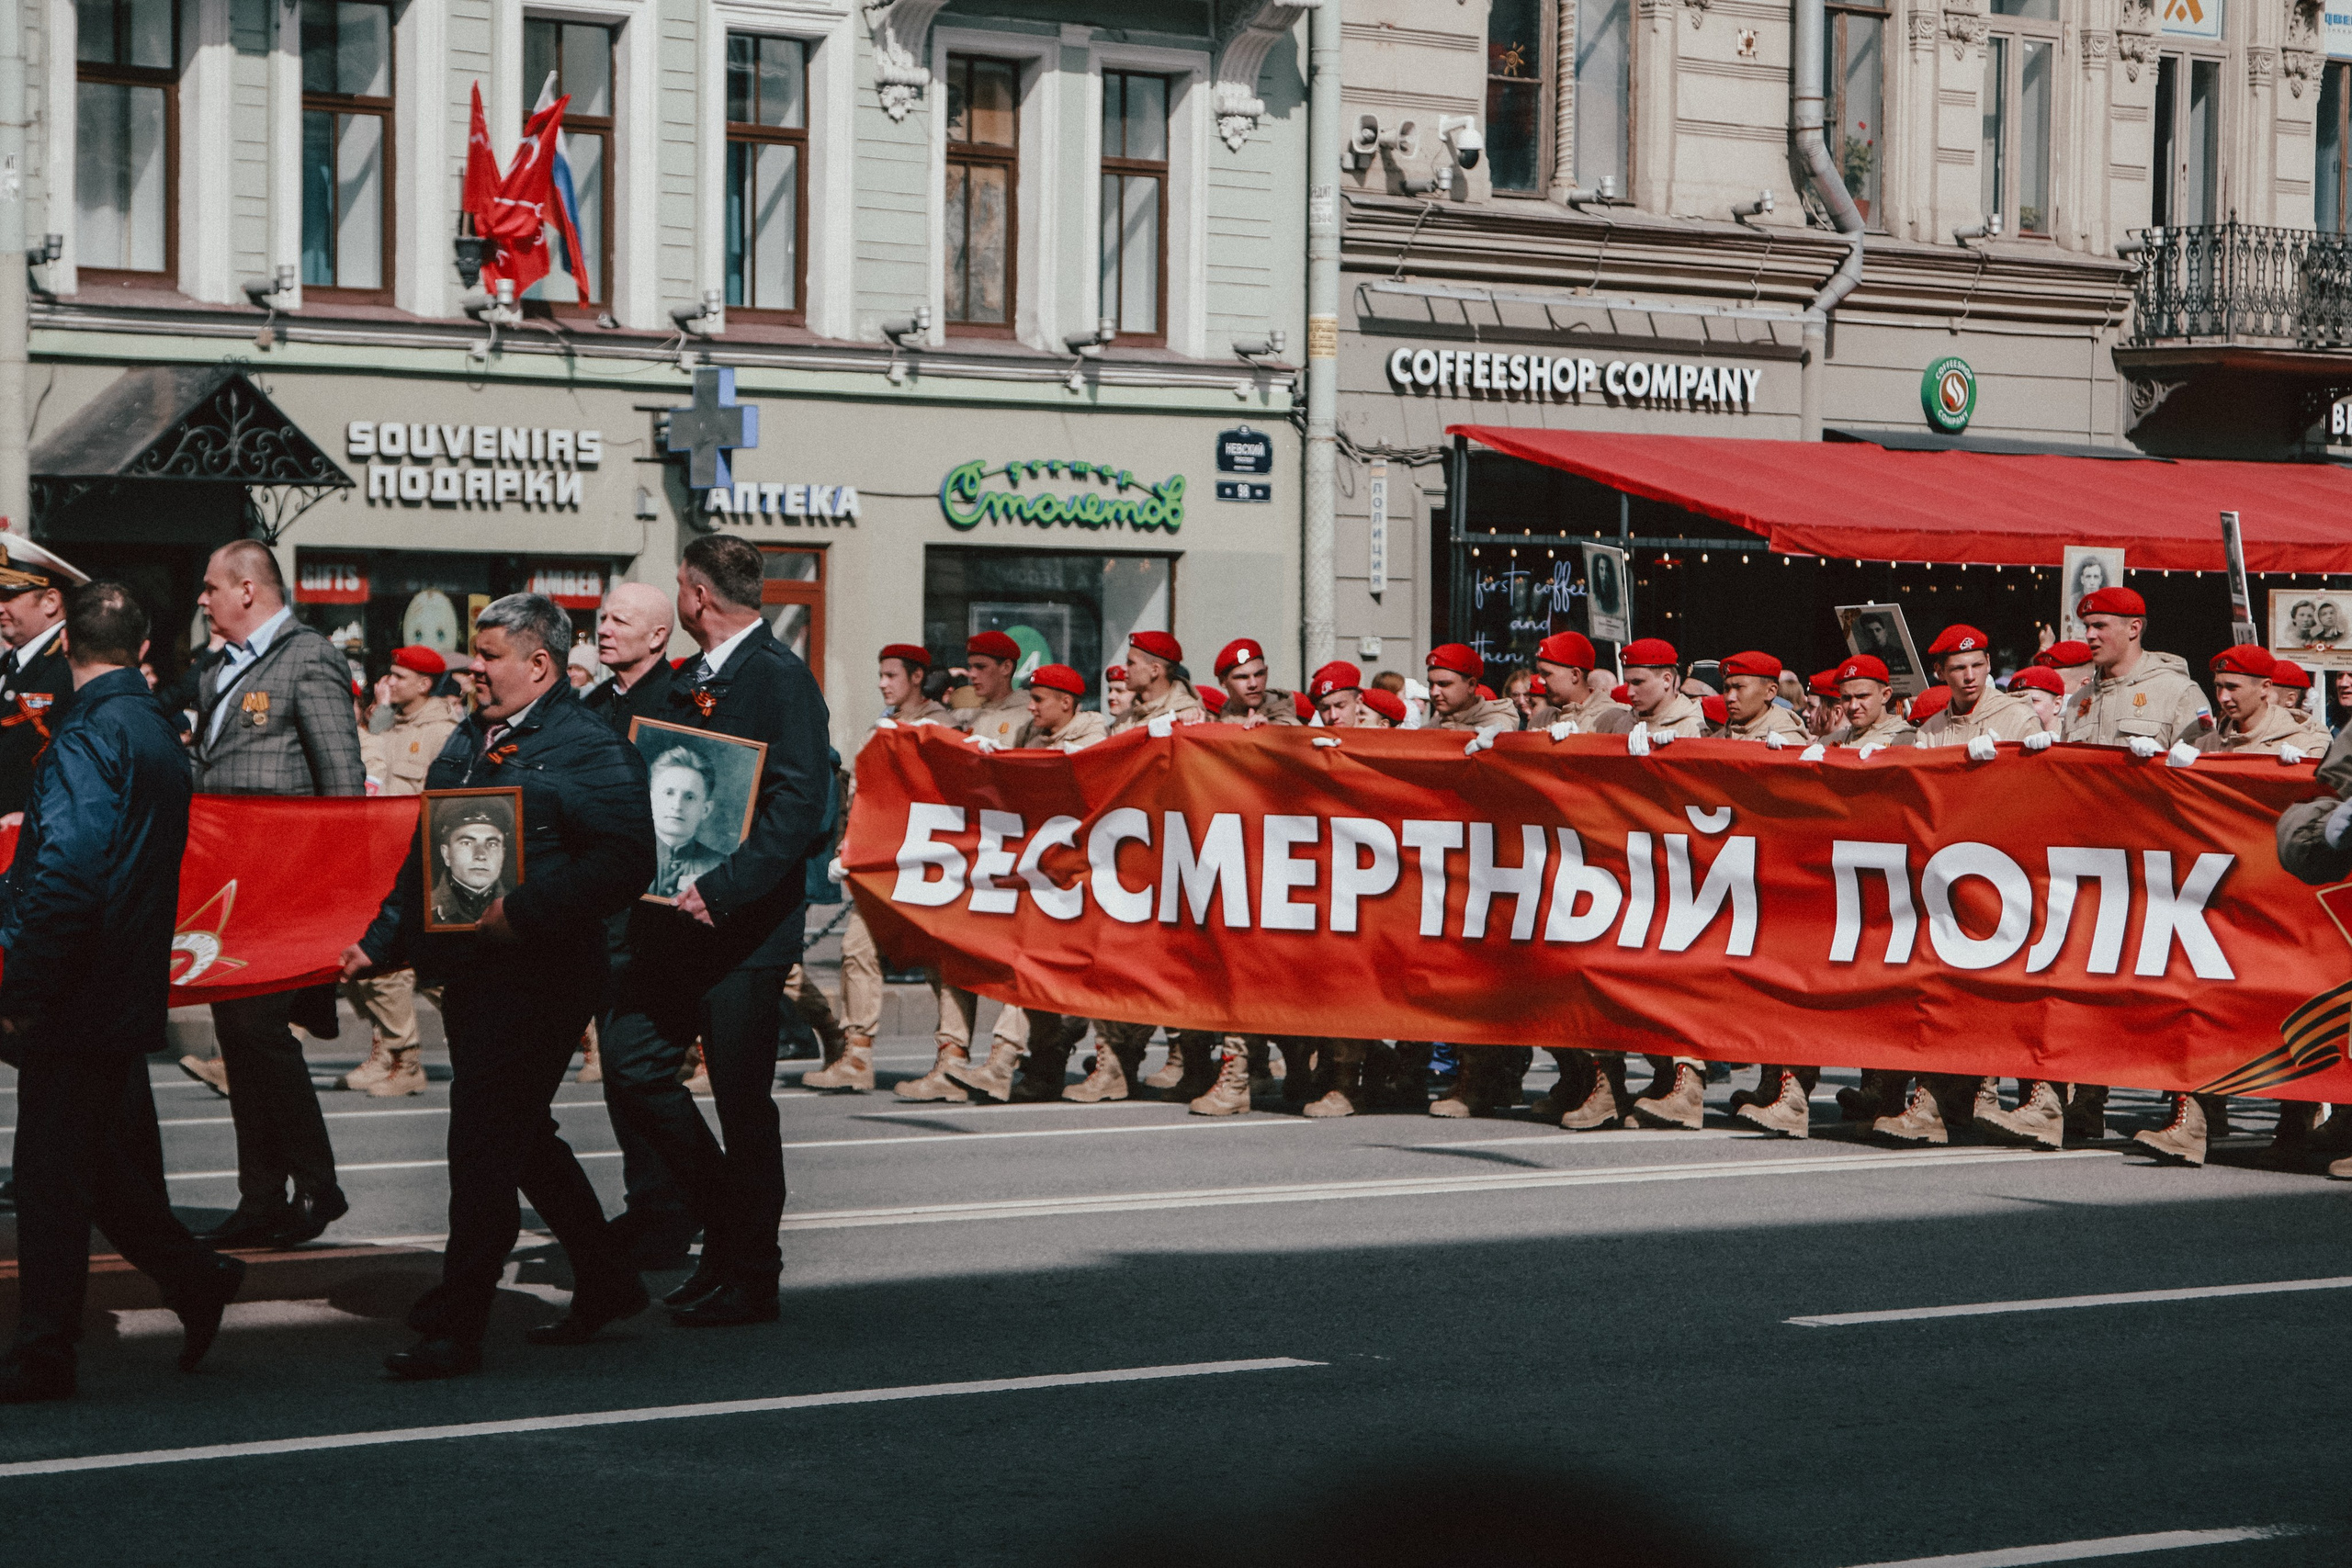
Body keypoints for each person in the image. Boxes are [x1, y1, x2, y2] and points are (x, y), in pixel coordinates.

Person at [343, 593, 651, 1378]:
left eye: (489, 656)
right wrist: (375, 943)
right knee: (519, 1135)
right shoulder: (468, 741)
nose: (471, 668)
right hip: (474, 973)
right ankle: (609, 1277)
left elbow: (625, 862)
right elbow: (427, 854)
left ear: (539, 664)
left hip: (545, 974)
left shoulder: (590, 748)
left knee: (481, 1142)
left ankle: (458, 1321)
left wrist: (527, 910)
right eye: (473, 655)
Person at [0, 584, 245, 1404]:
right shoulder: (152, 729)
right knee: (101, 1170)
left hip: (72, 990)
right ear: (142, 648)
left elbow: (67, 871)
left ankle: (45, 1352)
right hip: (125, 980)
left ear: (68, 641)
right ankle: (195, 1275)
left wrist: (24, 984)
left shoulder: (85, 733)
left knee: (49, 1178)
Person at [601, 536, 831, 1329]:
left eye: (678, 589)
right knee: (633, 1065)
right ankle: (723, 1229)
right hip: (670, 919)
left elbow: (801, 807)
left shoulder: (778, 679)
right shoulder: (687, 679)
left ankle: (748, 1273)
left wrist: (722, 889)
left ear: (697, 597)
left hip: (740, 930)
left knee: (741, 1102)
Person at [187, 540, 362, 1250]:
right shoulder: (212, 669)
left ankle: (318, 1181)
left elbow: (342, 784)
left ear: (249, 590)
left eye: (210, 587)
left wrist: (330, 902)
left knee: (260, 1034)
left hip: (285, 884)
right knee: (238, 1039)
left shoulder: (308, 656)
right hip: (228, 891)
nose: (202, 600)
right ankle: (259, 1196)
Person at [982, 664, 1114, 1102]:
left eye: (1039, 699)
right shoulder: (1030, 734)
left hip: (1083, 881)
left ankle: (1004, 1061)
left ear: (1067, 703)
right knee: (1035, 970)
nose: (1031, 706)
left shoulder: (1095, 742)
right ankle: (1043, 1066)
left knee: (1039, 970)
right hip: (1041, 875)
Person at [341, 644, 460, 1099]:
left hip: (423, 867)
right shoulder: (388, 726)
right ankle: (392, 1056)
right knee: (380, 964)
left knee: (426, 970)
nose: (388, 683)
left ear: (426, 684)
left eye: (399, 676)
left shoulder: (443, 732)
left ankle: (407, 1059)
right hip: (382, 864)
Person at [0, 536, 88, 826]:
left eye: (8, 595)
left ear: (50, 601)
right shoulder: (11, 664)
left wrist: (37, 817)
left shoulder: (74, 664)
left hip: (38, 834)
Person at [1911, 625, 2039, 749]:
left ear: (1988, 663)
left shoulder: (2020, 719)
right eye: (1959, 668)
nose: (1970, 676)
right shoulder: (1929, 732)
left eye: (1977, 665)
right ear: (1940, 672)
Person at [647, 746, 729, 899]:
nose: (677, 806)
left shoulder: (720, 868)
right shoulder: (623, 855)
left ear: (705, 810)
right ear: (650, 799)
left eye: (689, 797)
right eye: (669, 793)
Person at [1526, 632, 1631, 734]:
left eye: (1547, 673)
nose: (1540, 680)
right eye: (1539, 673)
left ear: (1575, 675)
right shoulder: (1542, 719)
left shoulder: (1613, 717)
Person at [431, 803, 512, 925]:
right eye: (466, 843)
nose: (480, 855)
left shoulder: (520, 906)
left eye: (492, 844)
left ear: (503, 854)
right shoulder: (425, 908)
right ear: (446, 854)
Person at [1620, 637, 1709, 740]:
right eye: (1628, 683)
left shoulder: (1692, 729)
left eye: (1638, 682)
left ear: (1666, 680)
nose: (1630, 693)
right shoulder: (1624, 723)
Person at [1712, 650, 1809, 742]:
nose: (1729, 698)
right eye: (1726, 688)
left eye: (1739, 687)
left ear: (1770, 691)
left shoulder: (1786, 743)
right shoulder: (1717, 739)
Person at [956, 630, 1031, 747]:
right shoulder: (967, 716)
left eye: (981, 667)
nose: (972, 674)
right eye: (970, 667)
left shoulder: (1028, 717)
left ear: (1006, 667)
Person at [1825, 655, 1914, 748]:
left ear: (1885, 695)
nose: (1853, 706)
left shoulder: (1905, 741)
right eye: (1847, 698)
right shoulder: (1830, 741)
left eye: (1862, 696)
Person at [1211, 637, 1301, 727]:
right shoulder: (1216, 718)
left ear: (1266, 672)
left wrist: (1268, 733)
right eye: (1242, 677)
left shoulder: (1288, 725)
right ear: (1222, 681)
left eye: (1259, 674)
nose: (1253, 684)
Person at [1308, 660, 1366, 728]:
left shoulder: (1376, 736)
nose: (1333, 716)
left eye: (1340, 706)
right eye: (1325, 709)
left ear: (1358, 703)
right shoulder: (1314, 737)